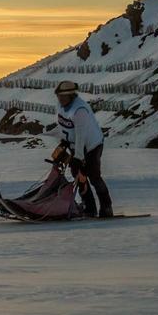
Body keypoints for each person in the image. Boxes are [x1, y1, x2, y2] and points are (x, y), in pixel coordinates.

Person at [51, 80, 113, 218]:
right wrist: (64, 142)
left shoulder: (80, 110)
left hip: (92, 146)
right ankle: (89, 207)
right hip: (76, 145)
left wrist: (78, 158)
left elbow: (81, 136)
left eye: (62, 96)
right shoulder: (61, 106)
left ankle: (106, 206)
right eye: (58, 96)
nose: (59, 99)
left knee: (93, 175)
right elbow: (63, 125)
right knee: (78, 176)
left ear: (71, 96)